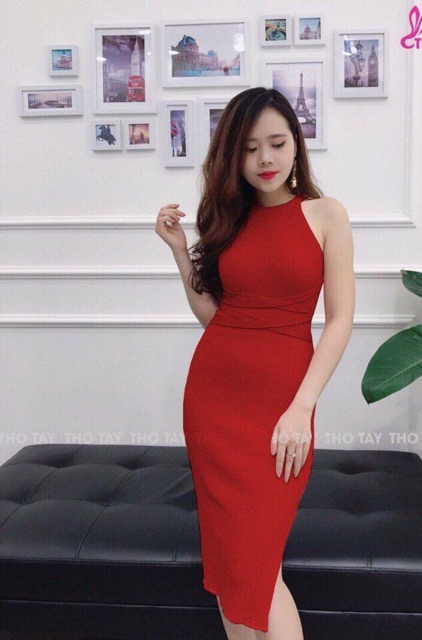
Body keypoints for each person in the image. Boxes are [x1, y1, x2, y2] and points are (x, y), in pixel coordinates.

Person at [155, 87, 355, 640]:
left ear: (297, 144)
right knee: (233, 562)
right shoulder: (229, 219)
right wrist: (180, 251)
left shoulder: (326, 215)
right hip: (214, 403)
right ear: (232, 155)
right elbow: (216, 317)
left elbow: (340, 320)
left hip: (283, 406)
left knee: (255, 563)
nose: (265, 159)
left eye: (277, 143)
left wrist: (301, 408)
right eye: (248, 148)